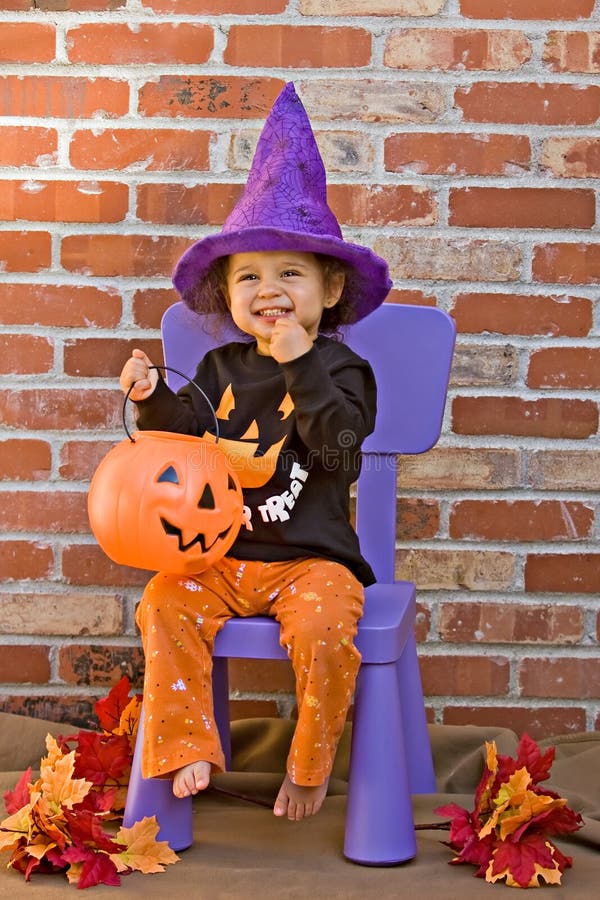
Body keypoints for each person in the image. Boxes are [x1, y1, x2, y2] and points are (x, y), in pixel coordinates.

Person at [119, 83, 392, 822]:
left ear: (330, 288)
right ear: (227, 294)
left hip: (311, 561)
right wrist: (150, 399)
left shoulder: (341, 371)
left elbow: (338, 452)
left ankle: (308, 764)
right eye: (249, 277)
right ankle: (189, 746)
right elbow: (185, 440)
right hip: (219, 556)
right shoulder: (221, 370)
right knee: (163, 602)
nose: (268, 290)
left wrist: (301, 358)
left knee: (331, 630)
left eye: (290, 273)